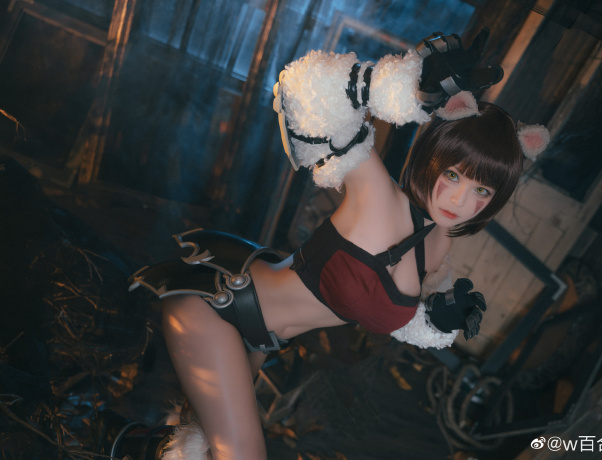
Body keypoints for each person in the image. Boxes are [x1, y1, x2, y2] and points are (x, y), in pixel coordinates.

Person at [121, 30, 549, 460]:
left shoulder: (438, 245)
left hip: (259, 340)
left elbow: (397, 316)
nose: (459, 201)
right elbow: (299, 91)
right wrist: (405, 82)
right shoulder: (377, 194)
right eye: (453, 176)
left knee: (200, 451)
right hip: (219, 309)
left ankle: (126, 444)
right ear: (433, 156)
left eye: (482, 191)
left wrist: (438, 319)